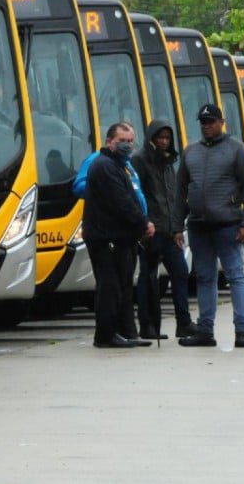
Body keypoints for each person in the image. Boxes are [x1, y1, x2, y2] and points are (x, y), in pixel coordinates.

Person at [172, 104, 244, 348]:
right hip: (198, 226)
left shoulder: (236, 150)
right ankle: (205, 330)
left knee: (235, 275)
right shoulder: (191, 152)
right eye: (203, 122)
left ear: (222, 122)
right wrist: (177, 226)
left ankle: (242, 331)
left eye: (211, 121)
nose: (207, 126)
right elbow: (180, 192)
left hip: (228, 225)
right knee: (204, 278)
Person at [83, 121, 154, 349]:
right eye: (122, 141)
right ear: (109, 142)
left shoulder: (121, 165)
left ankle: (126, 332)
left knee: (123, 287)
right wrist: (143, 223)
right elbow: (122, 202)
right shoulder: (104, 166)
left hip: (121, 237)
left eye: (130, 141)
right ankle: (105, 336)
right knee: (110, 287)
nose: (127, 145)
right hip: (106, 237)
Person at [131, 119, 194, 340]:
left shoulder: (168, 163)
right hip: (150, 230)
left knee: (181, 272)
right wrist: (143, 224)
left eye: (167, 138)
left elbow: (174, 197)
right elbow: (137, 195)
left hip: (169, 230)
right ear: (152, 138)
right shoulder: (139, 160)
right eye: (160, 137)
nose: (164, 142)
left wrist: (177, 227)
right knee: (148, 278)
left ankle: (183, 322)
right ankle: (147, 325)